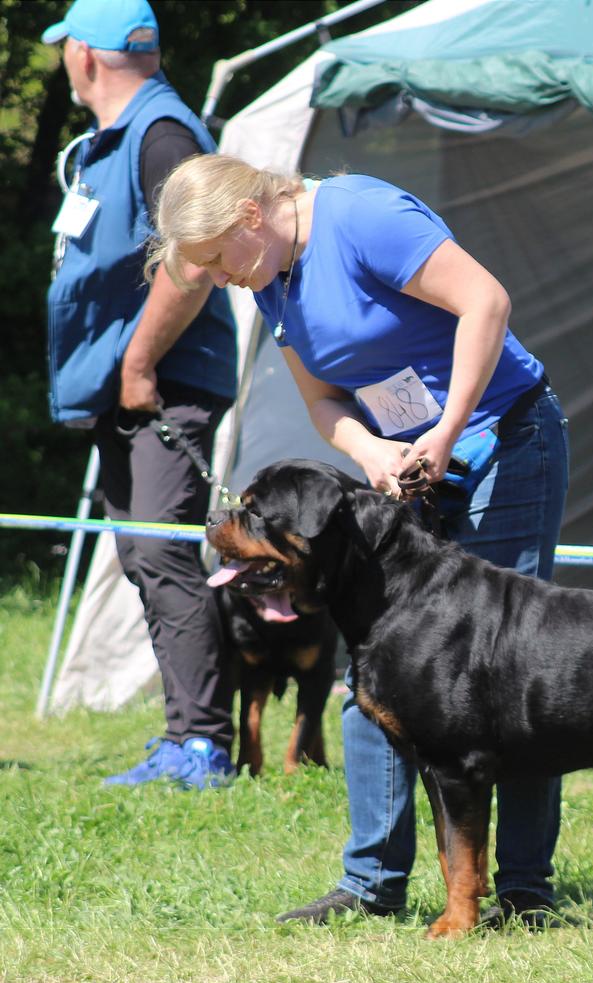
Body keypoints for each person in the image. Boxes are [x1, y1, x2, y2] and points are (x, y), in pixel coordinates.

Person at [147, 153, 570, 924]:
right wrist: (372, 453)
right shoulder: (270, 279)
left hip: (505, 440)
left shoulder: (361, 216)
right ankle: (371, 885)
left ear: (249, 217)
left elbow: (487, 303)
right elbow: (324, 399)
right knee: (373, 672)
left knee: (508, 671)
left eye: (212, 260)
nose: (215, 278)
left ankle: (523, 891)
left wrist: (444, 432)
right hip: (403, 470)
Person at [43, 0, 238, 788]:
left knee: (162, 551)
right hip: (133, 383)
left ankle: (201, 747)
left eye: (65, 49)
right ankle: (183, 737)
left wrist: (138, 362)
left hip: (164, 381)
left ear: (86, 57)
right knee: (143, 554)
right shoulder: (120, 139)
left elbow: (192, 259)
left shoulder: (163, 135)